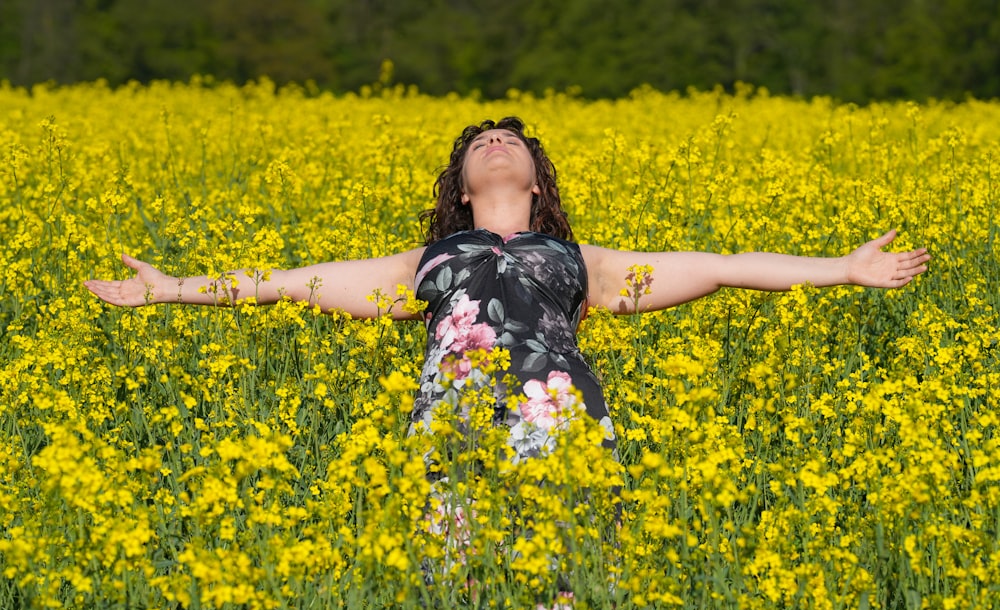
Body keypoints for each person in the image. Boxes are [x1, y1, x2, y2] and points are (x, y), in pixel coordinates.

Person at [84, 116, 931, 464]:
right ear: (460, 186)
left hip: (560, 419)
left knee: (563, 592)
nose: (496, 143)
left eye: (509, 140)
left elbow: (724, 263)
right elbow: (291, 284)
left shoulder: (581, 259)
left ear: (535, 181)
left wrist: (843, 269)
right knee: (453, 592)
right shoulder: (423, 262)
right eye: (480, 141)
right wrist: (170, 291)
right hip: (447, 419)